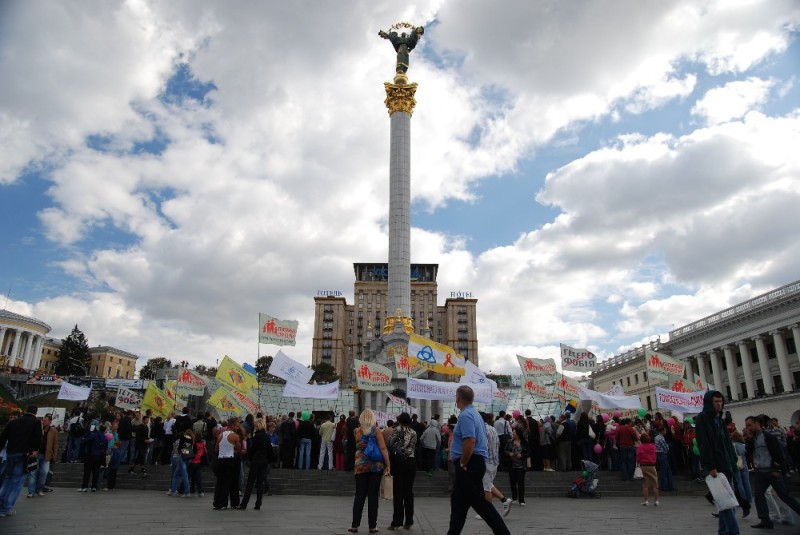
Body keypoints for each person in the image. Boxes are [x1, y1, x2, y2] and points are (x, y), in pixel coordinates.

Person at [447, 385, 510, 535]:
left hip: (469, 464)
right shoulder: (474, 414)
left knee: (481, 504)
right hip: (474, 462)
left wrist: (462, 462)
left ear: (458, 398)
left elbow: (470, 441)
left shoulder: (466, 416)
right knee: (458, 504)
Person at [695, 390, 740, 535]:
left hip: (728, 464)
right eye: (716, 402)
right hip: (718, 466)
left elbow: (727, 441)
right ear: (709, 403)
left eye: (721, 401)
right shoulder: (703, 419)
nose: (719, 404)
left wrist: (734, 459)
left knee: (726, 502)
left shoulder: (719, 419)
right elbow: (704, 443)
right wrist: (711, 465)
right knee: (727, 504)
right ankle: (734, 532)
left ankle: (723, 531)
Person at [745, 415, 800, 529]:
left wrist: (777, 469)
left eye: (749, 425)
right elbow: (749, 451)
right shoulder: (753, 438)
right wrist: (749, 438)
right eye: (746, 426)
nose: (748, 428)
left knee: (784, 495)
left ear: (757, 424)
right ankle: (765, 519)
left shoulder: (768, 436)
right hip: (761, 470)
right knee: (759, 494)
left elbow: (778, 453)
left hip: (771, 470)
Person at [349, 409, 391, 533]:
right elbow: (383, 448)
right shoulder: (376, 430)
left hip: (360, 465)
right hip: (375, 466)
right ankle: (372, 526)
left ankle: (354, 525)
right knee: (373, 495)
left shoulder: (356, 431)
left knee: (359, 495)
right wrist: (388, 464)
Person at [0, 405, 42, 517]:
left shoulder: (13, 422)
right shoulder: (36, 423)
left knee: (8, 479)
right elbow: (38, 438)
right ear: (35, 412)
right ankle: (6, 508)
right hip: (24, 454)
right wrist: (34, 450)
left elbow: (3, 438)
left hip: (10, 454)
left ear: (25, 411)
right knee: (17, 482)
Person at [478, 412, 512, 518]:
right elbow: (498, 444)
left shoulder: (482, 430)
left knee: (485, 488)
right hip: (494, 461)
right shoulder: (492, 428)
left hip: (486, 461)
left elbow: (482, 446)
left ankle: (488, 512)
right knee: (488, 484)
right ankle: (504, 500)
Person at [386, 412, 417, 531]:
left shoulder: (397, 430)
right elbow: (413, 445)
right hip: (411, 462)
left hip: (399, 462)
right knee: (408, 492)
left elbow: (390, 444)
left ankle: (397, 521)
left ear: (399, 420)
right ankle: (409, 521)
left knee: (398, 492)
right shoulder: (413, 432)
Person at [238, 418, 275, 510]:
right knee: (260, 483)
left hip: (255, 462)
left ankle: (244, 504)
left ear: (257, 426)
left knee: (250, 483)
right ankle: (258, 503)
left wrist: (249, 460)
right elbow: (270, 451)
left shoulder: (255, 437)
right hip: (264, 462)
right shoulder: (267, 437)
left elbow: (251, 450)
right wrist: (269, 460)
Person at [213, 417, 242, 510]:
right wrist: (233, 450)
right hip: (230, 460)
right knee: (230, 482)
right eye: (237, 426)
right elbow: (239, 450)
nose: (238, 428)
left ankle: (218, 502)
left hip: (220, 460)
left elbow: (216, 449)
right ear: (232, 425)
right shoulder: (235, 436)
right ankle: (232, 503)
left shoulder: (220, 435)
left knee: (220, 482)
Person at [27, 413, 57, 497]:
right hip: (36, 453)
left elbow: (55, 444)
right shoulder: (38, 428)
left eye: (45, 421)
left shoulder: (53, 431)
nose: (43, 422)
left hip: (46, 455)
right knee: (33, 473)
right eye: (43, 420)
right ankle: (31, 491)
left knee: (44, 472)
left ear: (50, 422)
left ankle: (39, 489)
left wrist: (54, 455)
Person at [79, 420, 108, 492]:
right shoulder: (103, 436)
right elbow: (105, 446)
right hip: (99, 456)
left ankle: (85, 486)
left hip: (91, 454)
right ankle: (94, 486)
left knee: (87, 471)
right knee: (96, 471)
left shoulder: (92, 434)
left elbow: (84, 441)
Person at [505, 427, 529, 506]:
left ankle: (522, 500)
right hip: (512, 465)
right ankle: (514, 498)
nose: (513, 434)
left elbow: (529, 452)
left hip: (521, 466)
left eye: (514, 432)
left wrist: (521, 455)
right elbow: (505, 450)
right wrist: (509, 453)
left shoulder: (524, 443)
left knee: (521, 483)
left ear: (518, 434)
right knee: (512, 482)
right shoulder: (509, 442)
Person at [168, 427, 193, 497]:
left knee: (182, 475)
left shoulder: (182, 439)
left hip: (182, 458)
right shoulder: (191, 439)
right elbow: (191, 450)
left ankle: (186, 491)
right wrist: (188, 453)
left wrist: (184, 452)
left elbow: (180, 449)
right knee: (178, 474)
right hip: (189, 458)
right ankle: (174, 490)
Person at [636, 433, 659, 506]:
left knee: (645, 484)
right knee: (655, 484)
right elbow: (655, 456)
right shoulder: (653, 446)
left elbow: (638, 457)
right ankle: (656, 501)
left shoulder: (640, 447)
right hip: (652, 466)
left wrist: (638, 463)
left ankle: (646, 501)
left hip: (643, 466)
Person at [655, 426, 675, 491]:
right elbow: (666, 447)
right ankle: (666, 486)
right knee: (665, 470)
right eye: (665, 430)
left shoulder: (656, 437)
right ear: (662, 431)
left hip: (659, 454)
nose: (665, 432)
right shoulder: (661, 438)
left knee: (665, 470)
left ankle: (667, 485)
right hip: (663, 454)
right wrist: (668, 446)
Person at [188, 431, 207, 497]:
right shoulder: (202, 444)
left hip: (192, 461)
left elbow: (190, 452)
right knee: (198, 478)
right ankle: (200, 491)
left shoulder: (194, 444)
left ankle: (183, 489)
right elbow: (204, 452)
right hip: (199, 462)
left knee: (188, 476)